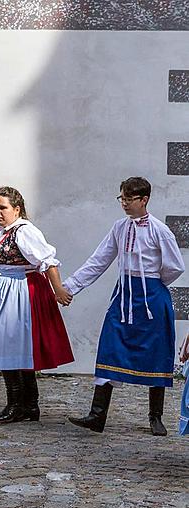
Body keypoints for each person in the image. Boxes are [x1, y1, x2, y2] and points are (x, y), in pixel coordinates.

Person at [64, 177, 184, 436]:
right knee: (110, 345)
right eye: (122, 198)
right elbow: (99, 260)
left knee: (156, 350)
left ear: (144, 200)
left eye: (130, 199)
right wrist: (70, 286)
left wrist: (151, 283)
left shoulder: (160, 230)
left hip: (152, 297)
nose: (125, 204)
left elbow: (175, 266)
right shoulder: (119, 228)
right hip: (124, 297)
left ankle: (155, 416)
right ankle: (97, 415)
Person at [0, 187, 74, 423]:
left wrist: (58, 290)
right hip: (3, 290)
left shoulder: (24, 232)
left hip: (21, 290)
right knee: (6, 344)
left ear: (17, 209)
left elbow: (47, 262)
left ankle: (23, 404)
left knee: (16, 345)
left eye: (2, 207)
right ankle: (23, 404)